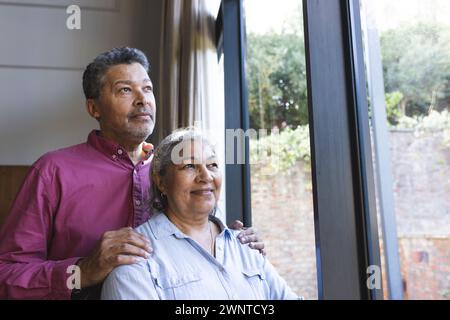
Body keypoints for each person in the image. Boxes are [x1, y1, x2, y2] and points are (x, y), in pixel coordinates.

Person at [0, 47, 264, 300]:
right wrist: (82, 271)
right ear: (94, 108)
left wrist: (227, 243)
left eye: (147, 88)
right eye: (125, 90)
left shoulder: (178, 172)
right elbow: (6, 275)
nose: (143, 100)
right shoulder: (52, 171)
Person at [101, 128, 299, 300]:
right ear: (161, 182)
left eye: (212, 165)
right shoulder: (135, 258)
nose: (206, 176)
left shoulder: (245, 245)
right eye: (189, 166)